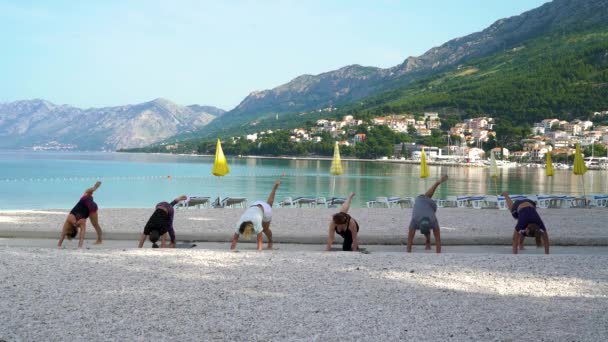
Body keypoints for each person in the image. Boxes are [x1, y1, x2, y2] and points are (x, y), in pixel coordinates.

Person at [231, 180, 281, 251]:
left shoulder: (256, 222)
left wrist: (259, 250)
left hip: (265, 211)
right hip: (255, 205)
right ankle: (274, 188)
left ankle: (270, 241)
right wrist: (232, 249)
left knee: (265, 229)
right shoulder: (239, 224)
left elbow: (259, 239)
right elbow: (235, 239)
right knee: (269, 203)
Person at [407, 175, 448, 254]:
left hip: (431, 206)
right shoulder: (432, 222)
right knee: (425, 197)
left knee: (424, 197)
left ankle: (436, 184)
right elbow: (438, 240)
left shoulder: (415, 222)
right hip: (428, 207)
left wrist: (408, 251)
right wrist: (438, 253)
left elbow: (409, 240)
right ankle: (428, 242)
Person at [58, 181, 104, 248]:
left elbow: (81, 237)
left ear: (76, 230)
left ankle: (99, 240)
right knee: (87, 192)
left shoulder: (81, 223)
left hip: (91, 208)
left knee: (96, 225)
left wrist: (79, 246)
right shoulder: (69, 219)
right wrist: (59, 244)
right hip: (85, 200)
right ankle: (93, 188)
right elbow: (63, 234)